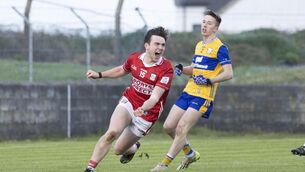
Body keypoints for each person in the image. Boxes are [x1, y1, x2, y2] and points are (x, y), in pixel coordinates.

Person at [151, 10, 233, 171]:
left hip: (203, 95)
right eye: (203, 22)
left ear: (215, 28)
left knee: (181, 128)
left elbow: (229, 73)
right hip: (188, 91)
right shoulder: (199, 45)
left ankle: (164, 165)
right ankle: (190, 154)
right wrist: (184, 68)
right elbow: (195, 68)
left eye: (209, 23)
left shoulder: (220, 48)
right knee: (168, 127)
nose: (205, 25)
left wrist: (210, 80)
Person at [84, 26, 173, 172]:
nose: (160, 48)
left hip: (147, 113)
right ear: (147, 46)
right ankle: (90, 168)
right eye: (157, 44)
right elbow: (121, 70)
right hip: (129, 102)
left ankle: (132, 148)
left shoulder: (166, 69)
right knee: (112, 133)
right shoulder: (135, 58)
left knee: (118, 150)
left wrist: (143, 108)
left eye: (163, 45)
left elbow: (155, 97)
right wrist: (99, 75)